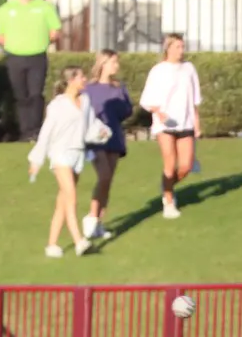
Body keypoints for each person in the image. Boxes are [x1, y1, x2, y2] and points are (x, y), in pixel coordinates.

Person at [28, 67, 103, 259]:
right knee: (71, 197)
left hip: (78, 155)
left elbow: (92, 125)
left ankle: (51, 245)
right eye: (81, 77)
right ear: (71, 80)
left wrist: (103, 132)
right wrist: (37, 159)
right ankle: (79, 242)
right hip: (60, 154)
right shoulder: (57, 105)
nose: (85, 79)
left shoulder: (85, 101)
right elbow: (46, 134)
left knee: (63, 202)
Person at [139, 34, 203, 220]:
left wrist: (196, 124)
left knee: (186, 166)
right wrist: (158, 112)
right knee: (169, 162)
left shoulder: (189, 69)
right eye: (177, 47)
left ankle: (167, 186)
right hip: (164, 124)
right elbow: (147, 100)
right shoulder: (158, 70)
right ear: (168, 48)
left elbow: (195, 98)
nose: (181, 51)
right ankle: (168, 201)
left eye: (182, 47)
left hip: (186, 122)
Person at [0, 0, 62, 142]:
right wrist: (15, 44)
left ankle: (36, 131)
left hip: (37, 57)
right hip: (15, 58)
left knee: (35, 94)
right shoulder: (6, 9)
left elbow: (55, 32)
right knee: (20, 96)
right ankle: (25, 132)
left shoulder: (45, 7)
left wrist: (41, 41)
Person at [83, 50, 132, 241]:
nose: (116, 66)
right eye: (113, 62)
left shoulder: (119, 88)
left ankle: (98, 222)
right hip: (94, 139)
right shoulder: (89, 88)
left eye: (117, 62)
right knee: (103, 176)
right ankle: (91, 217)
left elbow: (127, 111)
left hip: (114, 137)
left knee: (108, 181)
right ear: (103, 63)